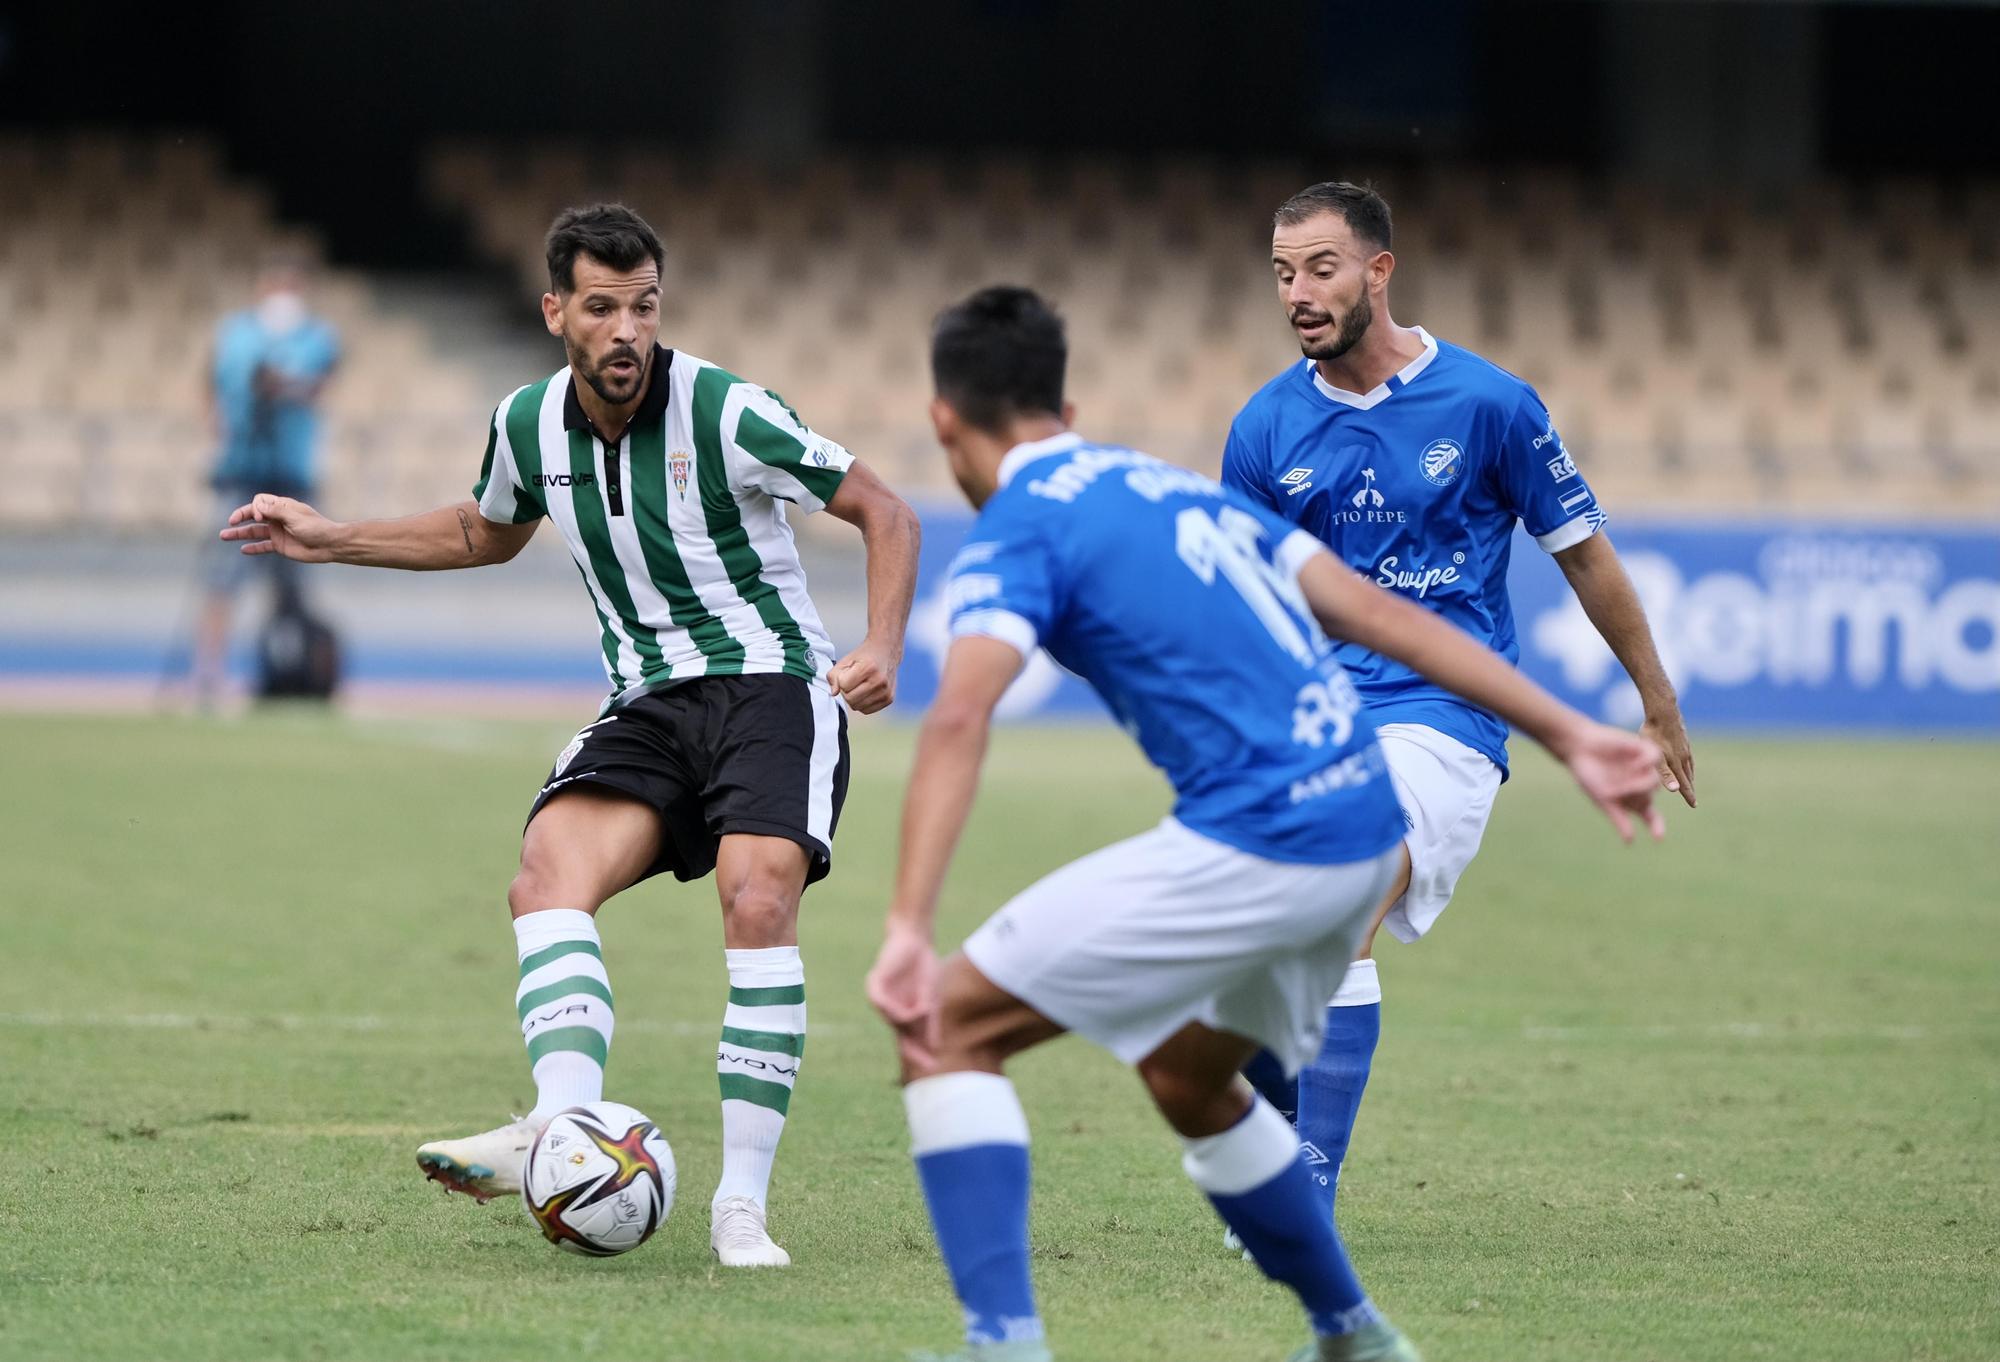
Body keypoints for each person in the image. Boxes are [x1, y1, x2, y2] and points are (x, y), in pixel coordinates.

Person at [866, 286, 1665, 1362]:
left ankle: (1002, 1345)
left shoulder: (1017, 529)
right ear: (1066, 405)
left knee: (944, 1029)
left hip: (1262, 840)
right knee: (1186, 1074)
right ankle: (1354, 1335)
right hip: (1360, 826)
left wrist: (907, 927)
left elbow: (960, 715)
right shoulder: (1169, 488)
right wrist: (1571, 734)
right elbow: (1378, 614)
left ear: (942, 420)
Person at [221, 204, 921, 1268]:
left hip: (771, 684)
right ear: (556, 312)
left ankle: (739, 1205)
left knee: (757, 896)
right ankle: (557, 1130)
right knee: (544, 878)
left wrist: (881, 643)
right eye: (601, 308)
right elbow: (484, 530)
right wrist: (332, 539)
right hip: (647, 699)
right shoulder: (525, 424)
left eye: (644, 306)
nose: (626, 330)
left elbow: (885, 510)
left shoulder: (728, 410)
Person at [1219, 182, 1698, 1234]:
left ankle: (1303, 1193)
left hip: (1443, 715)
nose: (1297, 292)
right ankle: (1271, 1146)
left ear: (1378, 271)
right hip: (1314, 722)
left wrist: (1656, 706)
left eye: (1321, 268)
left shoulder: (1489, 405)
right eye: (1282, 273)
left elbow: (1585, 557)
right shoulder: (1262, 429)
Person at [194, 256, 341, 707]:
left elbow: (315, 384)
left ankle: (284, 668)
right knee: (222, 575)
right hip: (240, 469)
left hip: (291, 474)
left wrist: (282, 386)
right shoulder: (235, 334)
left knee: (291, 581)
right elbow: (214, 384)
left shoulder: (316, 337)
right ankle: (210, 675)